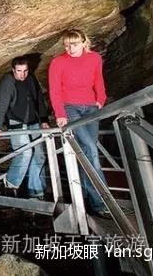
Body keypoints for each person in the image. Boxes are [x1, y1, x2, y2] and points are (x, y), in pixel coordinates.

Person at [49, 29, 109, 217]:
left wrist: (101, 100)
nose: (70, 48)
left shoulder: (95, 58)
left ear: (84, 42)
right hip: (70, 109)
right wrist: (60, 113)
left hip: (91, 108)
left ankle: (85, 198)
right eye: (67, 45)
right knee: (90, 149)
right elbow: (54, 90)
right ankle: (102, 203)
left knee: (86, 152)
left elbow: (99, 81)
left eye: (74, 44)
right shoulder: (58, 62)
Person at [0, 57, 50, 199]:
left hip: (33, 122)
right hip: (16, 121)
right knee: (25, 153)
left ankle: (36, 191)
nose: (22, 74)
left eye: (25, 71)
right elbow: (2, 103)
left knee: (39, 155)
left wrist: (44, 119)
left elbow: (39, 99)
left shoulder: (31, 78)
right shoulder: (8, 81)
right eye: (19, 71)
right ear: (13, 70)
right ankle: (10, 184)